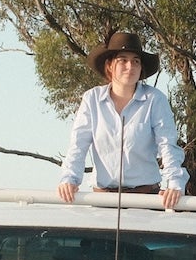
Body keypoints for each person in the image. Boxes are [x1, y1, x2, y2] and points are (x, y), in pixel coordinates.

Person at [57, 30, 187, 208]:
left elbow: (168, 145)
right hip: (102, 200)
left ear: (141, 68)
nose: (130, 66)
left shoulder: (155, 100)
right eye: (123, 60)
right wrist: (69, 179)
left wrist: (174, 184)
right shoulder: (92, 99)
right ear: (110, 65)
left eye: (136, 61)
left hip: (145, 199)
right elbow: (78, 145)